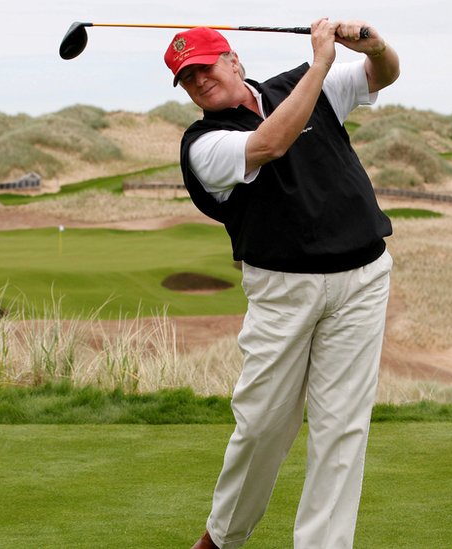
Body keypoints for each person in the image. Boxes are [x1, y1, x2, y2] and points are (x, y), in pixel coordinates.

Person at [163, 18, 400, 549]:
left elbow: (381, 75)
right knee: (264, 425)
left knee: (342, 429)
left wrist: (376, 46)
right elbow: (270, 143)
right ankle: (225, 537)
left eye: (205, 67)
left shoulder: (301, 85)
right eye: (187, 77)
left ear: (234, 61)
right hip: (282, 290)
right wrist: (320, 63)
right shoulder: (203, 144)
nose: (199, 81)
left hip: (362, 279)